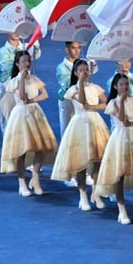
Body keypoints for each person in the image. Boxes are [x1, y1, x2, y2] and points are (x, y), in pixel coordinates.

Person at [50, 59, 109, 211]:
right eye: (81, 70)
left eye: (86, 70)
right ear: (75, 73)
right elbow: (82, 102)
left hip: (95, 123)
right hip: (79, 124)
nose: (84, 72)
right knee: (80, 161)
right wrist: (81, 84)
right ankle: (83, 196)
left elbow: (106, 104)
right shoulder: (72, 90)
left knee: (97, 160)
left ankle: (96, 193)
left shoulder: (96, 88)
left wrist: (95, 106)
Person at [0, 49, 57, 197]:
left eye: (28, 60)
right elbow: (21, 97)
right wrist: (22, 79)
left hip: (35, 113)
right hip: (21, 114)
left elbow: (45, 94)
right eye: (24, 61)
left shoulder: (35, 79)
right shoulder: (13, 82)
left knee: (40, 148)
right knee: (22, 150)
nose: (27, 63)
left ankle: (35, 178)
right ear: (18, 64)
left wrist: (33, 100)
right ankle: (21, 183)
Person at [96, 74, 133, 225]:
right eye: (121, 85)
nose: (125, 87)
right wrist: (121, 101)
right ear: (115, 87)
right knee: (119, 175)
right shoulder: (113, 103)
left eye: (126, 84)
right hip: (120, 139)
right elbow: (122, 119)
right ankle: (122, 210)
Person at [0, 32, 40, 132]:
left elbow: (34, 56)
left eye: (18, 30)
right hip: (8, 88)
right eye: (13, 30)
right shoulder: (2, 51)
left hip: (25, 86)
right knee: (8, 120)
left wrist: (35, 48)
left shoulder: (26, 47)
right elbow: (8, 68)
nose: (16, 33)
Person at [55, 41, 97, 132]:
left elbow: (91, 72)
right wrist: (81, 79)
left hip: (81, 96)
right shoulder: (61, 67)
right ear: (67, 49)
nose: (76, 51)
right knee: (67, 126)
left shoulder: (82, 63)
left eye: (78, 48)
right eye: (73, 48)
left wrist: (92, 65)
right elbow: (67, 83)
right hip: (68, 98)